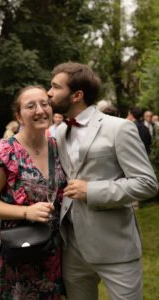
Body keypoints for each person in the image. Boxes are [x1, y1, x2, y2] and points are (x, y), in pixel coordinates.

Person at [47, 62, 158, 300]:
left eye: (55, 87)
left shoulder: (120, 128)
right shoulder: (58, 132)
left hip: (115, 245)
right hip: (72, 247)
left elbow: (147, 183)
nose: (49, 92)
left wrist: (93, 190)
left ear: (77, 95)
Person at [0, 86, 66, 299]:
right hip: (17, 249)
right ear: (19, 116)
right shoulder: (4, 151)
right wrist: (26, 212)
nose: (40, 110)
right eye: (30, 106)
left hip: (52, 249)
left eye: (45, 104)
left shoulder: (59, 147)